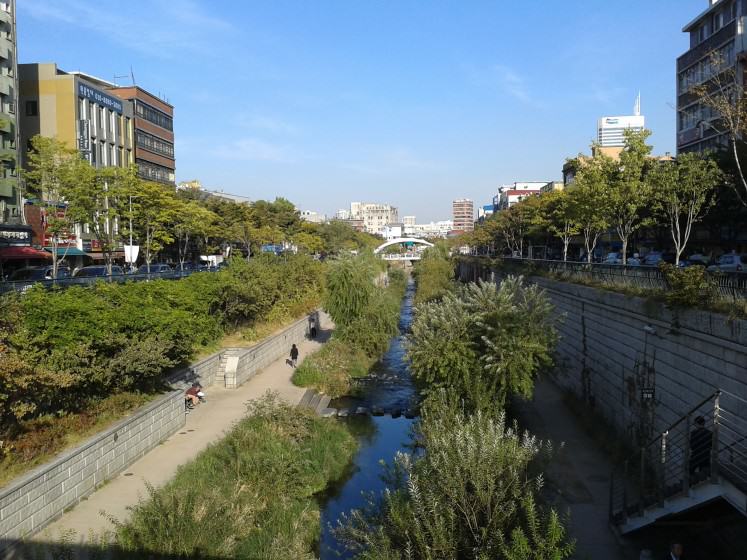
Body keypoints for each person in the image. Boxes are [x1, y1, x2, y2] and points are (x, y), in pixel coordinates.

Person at [689, 416, 712, 481]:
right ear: (704, 423)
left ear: (696, 423)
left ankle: (692, 482)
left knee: (690, 469)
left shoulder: (694, 433)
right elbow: (711, 445)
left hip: (696, 455)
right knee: (704, 471)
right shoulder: (709, 433)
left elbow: (692, 445)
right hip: (706, 455)